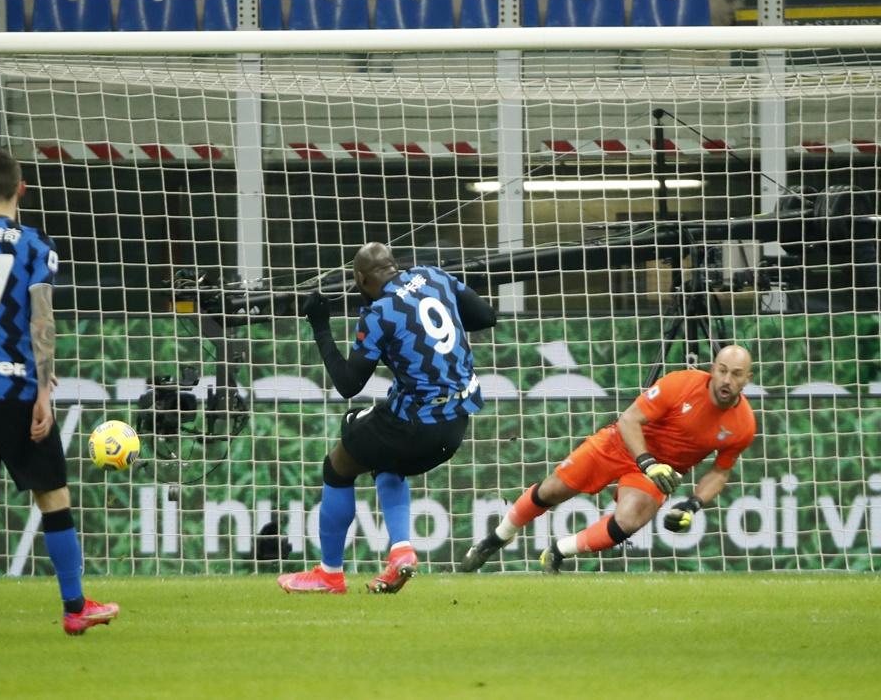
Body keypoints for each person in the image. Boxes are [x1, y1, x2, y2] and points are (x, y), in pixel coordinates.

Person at [0, 148, 117, 637]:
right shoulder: (35, 246)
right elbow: (41, 318)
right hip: (14, 384)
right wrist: (43, 388)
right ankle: (75, 607)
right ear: (22, 189)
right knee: (52, 493)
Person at [278, 242, 496, 594]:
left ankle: (329, 574)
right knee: (382, 455)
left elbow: (348, 383)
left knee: (338, 465)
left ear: (361, 279)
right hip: (456, 423)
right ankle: (400, 552)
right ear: (395, 266)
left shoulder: (379, 314)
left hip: (418, 423)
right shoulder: (434, 277)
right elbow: (486, 317)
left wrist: (320, 326)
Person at [461, 345, 757, 574]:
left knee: (628, 522)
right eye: (722, 370)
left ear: (748, 379)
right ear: (712, 369)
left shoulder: (743, 425)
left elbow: (720, 471)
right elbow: (629, 420)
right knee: (553, 490)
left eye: (736, 374)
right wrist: (647, 461)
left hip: (656, 471)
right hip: (620, 444)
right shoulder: (680, 384)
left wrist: (693, 503)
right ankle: (498, 538)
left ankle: (558, 552)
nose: (726, 379)